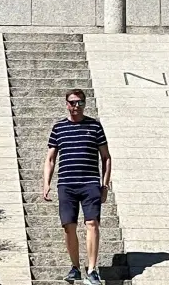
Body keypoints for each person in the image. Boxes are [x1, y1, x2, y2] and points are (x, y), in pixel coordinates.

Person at [43, 89, 112, 285]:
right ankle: (75, 267)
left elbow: (106, 158)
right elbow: (50, 158)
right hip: (66, 184)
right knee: (69, 227)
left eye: (80, 102)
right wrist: (46, 183)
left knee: (92, 224)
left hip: (90, 183)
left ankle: (91, 270)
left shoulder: (95, 127)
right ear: (66, 104)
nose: (76, 106)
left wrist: (104, 185)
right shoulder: (59, 128)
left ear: (84, 104)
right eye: (72, 102)